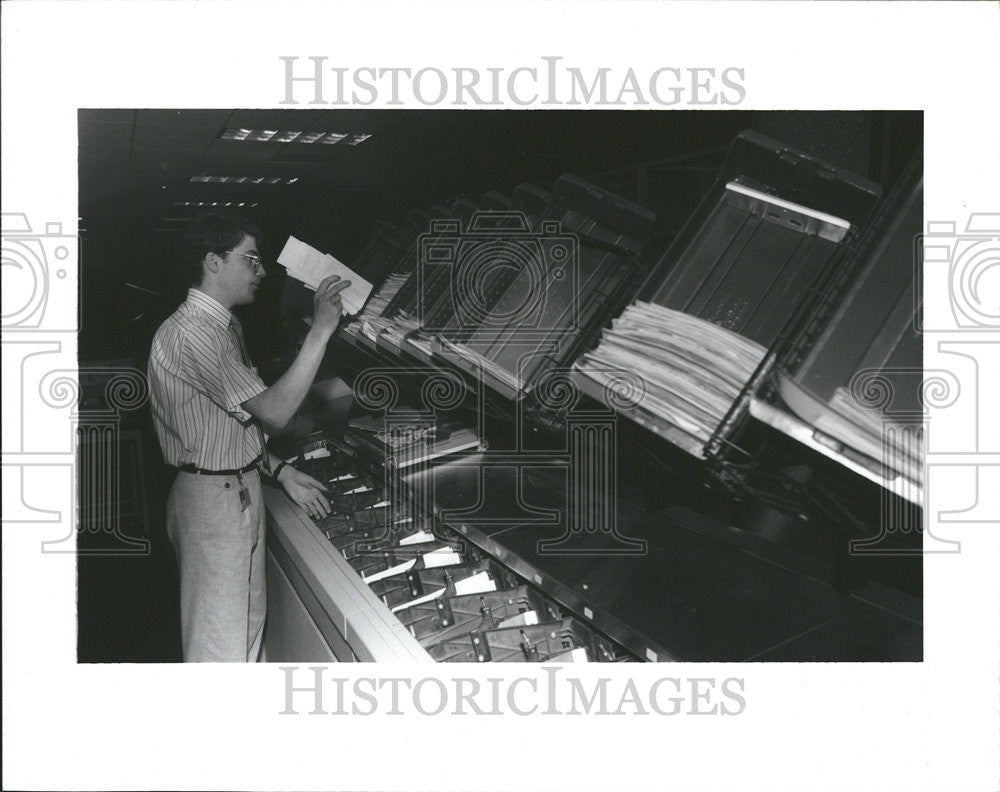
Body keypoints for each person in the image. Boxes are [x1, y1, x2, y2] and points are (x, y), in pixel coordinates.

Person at [148, 212, 349, 662]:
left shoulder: (225, 327)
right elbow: (275, 413)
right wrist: (320, 330)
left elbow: (232, 425)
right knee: (220, 653)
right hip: (211, 504)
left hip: (237, 488)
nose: (261, 271)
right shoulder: (194, 333)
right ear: (213, 262)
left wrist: (281, 471)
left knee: (247, 636)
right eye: (251, 260)